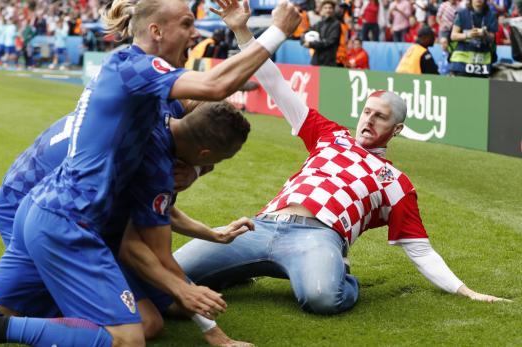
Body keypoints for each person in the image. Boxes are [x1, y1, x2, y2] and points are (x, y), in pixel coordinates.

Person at [0, 1, 301, 346]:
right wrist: (277, 31)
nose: (194, 34)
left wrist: (240, 31)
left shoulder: (151, 95)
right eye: (187, 24)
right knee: (130, 334)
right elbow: (214, 87)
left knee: (154, 312)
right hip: (66, 218)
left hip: (47, 208)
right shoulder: (135, 68)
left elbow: (216, 93)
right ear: (156, 30)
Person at [174, 10, 510, 317]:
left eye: (379, 117)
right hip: (261, 225)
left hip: (318, 239)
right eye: (367, 112)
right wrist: (242, 30)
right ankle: (236, 272)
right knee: (175, 269)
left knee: (323, 298)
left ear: (396, 130)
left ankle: (339, 272)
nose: (368, 121)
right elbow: (275, 82)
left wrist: (466, 291)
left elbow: (420, 250)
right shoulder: (328, 134)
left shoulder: (395, 180)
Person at [0, 101, 252, 346]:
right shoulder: (149, 159)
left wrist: (206, 236)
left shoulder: (154, 109)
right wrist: (211, 330)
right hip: (45, 217)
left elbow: (152, 210)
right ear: (204, 153)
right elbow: (136, 244)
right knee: (142, 324)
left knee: (171, 305)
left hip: (44, 206)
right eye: (208, 166)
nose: (201, 175)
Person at [449, 0, 498, 77]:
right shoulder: (462, 13)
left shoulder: (491, 15)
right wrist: (468, 35)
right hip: (461, 63)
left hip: (482, 64)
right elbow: (453, 36)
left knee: (479, 88)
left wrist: (485, 34)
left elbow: (492, 38)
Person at [303, 0, 342, 66]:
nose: (328, 10)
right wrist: (303, 40)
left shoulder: (336, 24)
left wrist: (311, 44)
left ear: (333, 10)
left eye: (330, 8)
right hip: (316, 60)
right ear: (321, 10)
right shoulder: (318, 24)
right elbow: (305, 33)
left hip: (329, 62)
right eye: (325, 8)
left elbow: (329, 42)